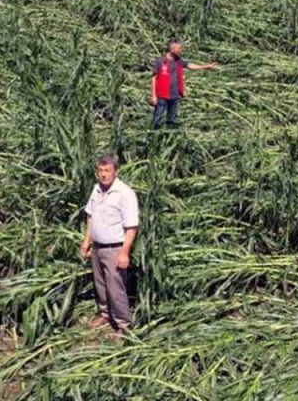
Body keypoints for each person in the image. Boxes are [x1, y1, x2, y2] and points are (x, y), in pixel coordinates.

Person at [79, 153, 139, 333]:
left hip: (115, 248)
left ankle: (123, 325)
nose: (104, 174)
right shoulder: (96, 190)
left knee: (115, 288)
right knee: (100, 284)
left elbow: (131, 226)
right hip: (97, 247)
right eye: (100, 171)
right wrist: (87, 241)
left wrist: (124, 252)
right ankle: (105, 314)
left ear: (116, 172)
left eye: (107, 170)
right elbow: (91, 216)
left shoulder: (125, 194)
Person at [149, 39, 218, 129]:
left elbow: (190, 65)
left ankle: (169, 137)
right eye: (179, 48)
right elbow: (154, 78)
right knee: (157, 118)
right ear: (172, 49)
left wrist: (205, 66)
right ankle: (150, 137)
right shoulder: (160, 62)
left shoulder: (178, 61)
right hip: (162, 96)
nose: (181, 50)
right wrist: (153, 95)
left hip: (174, 95)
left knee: (172, 120)